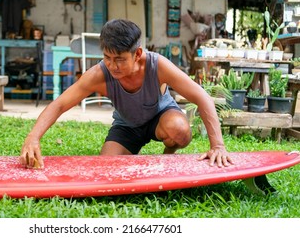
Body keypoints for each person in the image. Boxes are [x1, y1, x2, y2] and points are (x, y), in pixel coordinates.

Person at [20, 19, 233, 169]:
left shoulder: (157, 65)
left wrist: (218, 146)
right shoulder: (98, 73)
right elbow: (60, 104)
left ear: (137, 54)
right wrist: (33, 138)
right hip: (127, 126)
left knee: (179, 130)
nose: (113, 66)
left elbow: (201, 96)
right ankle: (132, 153)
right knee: (107, 167)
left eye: (120, 59)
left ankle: (168, 157)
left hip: (161, 118)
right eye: (107, 57)